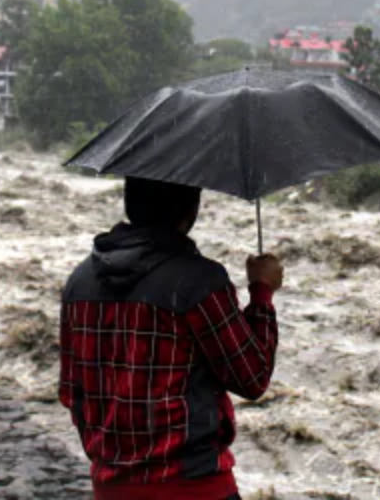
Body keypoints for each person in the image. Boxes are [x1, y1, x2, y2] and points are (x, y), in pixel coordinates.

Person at [60, 177, 282, 499]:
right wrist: (261, 293)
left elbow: (71, 391)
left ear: (130, 202)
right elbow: (252, 377)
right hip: (195, 487)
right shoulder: (199, 282)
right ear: (191, 209)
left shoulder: (79, 282)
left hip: (111, 488)